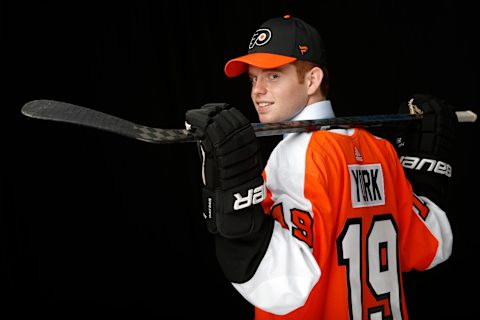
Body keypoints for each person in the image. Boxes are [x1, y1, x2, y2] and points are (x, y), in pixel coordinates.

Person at [185, 15, 457, 319]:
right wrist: (427, 174)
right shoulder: (380, 150)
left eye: (273, 76)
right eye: (253, 78)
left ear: (312, 80)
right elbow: (431, 247)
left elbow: (282, 288)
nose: (257, 91)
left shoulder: (295, 156)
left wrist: (232, 203)